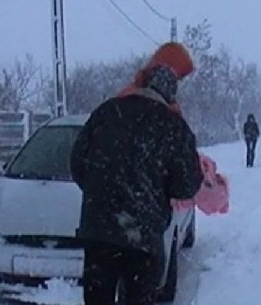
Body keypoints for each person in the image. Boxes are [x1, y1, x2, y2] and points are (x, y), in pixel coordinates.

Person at [70, 43, 204, 305]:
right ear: (171, 94)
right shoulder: (174, 127)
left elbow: (77, 163)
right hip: (143, 239)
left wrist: (101, 192)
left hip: (99, 234)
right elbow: (187, 186)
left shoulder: (108, 111)